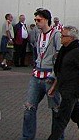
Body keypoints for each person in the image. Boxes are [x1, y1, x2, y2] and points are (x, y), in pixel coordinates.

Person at [47, 25, 79, 140]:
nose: (61, 38)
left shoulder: (77, 52)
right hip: (64, 89)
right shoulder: (64, 51)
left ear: (72, 38)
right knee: (78, 117)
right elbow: (60, 72)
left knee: (61, 120)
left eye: (63, 36)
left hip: (72, 91)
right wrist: (54, 87)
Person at [21, 8, 62, 140]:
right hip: (36, 76)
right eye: (35, 20)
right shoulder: (38, 35)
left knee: (56, 110)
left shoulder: (56, 35)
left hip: (50, 78)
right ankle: (27, 137)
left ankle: (57, 137)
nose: (37, 22)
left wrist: (55, 76)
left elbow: (60, 57)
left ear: (46, 20)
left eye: (39, 20)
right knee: (29, 108)